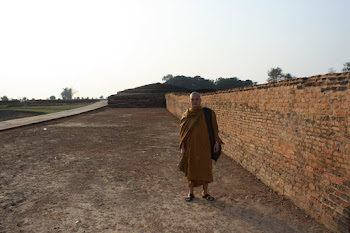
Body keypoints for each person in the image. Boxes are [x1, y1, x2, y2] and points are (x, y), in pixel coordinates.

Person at [178, 92, 222, 202]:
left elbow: (215, 129)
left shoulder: (208, 113)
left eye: (197, 99)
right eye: (193, 99)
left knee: (205, 169)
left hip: (205, 147)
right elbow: (182, 134)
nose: (195, 101)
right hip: (191, 148)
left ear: (200, 100)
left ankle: (205, 192)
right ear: (190, 101)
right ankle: (191, 193)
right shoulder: (186, 115)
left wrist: (216, 142)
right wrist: (182, 147)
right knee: (191, 170)